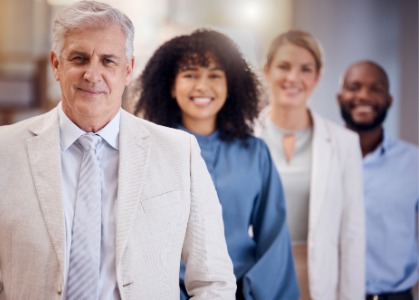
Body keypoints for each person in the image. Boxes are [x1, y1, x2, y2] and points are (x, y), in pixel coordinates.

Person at [0, 1, 236, 299]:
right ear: (56, 65)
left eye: (108, 61)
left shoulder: (179, 153)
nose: (92, 75)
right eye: (79, 58)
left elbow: (213, 281)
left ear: (128, 69)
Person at [135, 29, 299, 300]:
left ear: (230, 86)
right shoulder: (147, 152)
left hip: (241, 291)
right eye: (190, 75)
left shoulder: (254, 153)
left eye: (214, 75)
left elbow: (274, 237)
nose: (202, 86)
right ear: (171, 86)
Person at [256, 29, 365, 300]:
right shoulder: (242, 136)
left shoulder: (344, 143)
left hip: (317, 280)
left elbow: (352, 236)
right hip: (256, 276)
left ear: (317, 77)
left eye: (305, 69)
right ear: (267, 71)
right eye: (284, 66)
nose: (293, 78)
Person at [337, 61, 418, 300]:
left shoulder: (414, 162)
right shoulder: (319, 158)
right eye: (354, 87)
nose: (364, 95)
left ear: (389, 100)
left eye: (376, 88)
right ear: (339, 97)